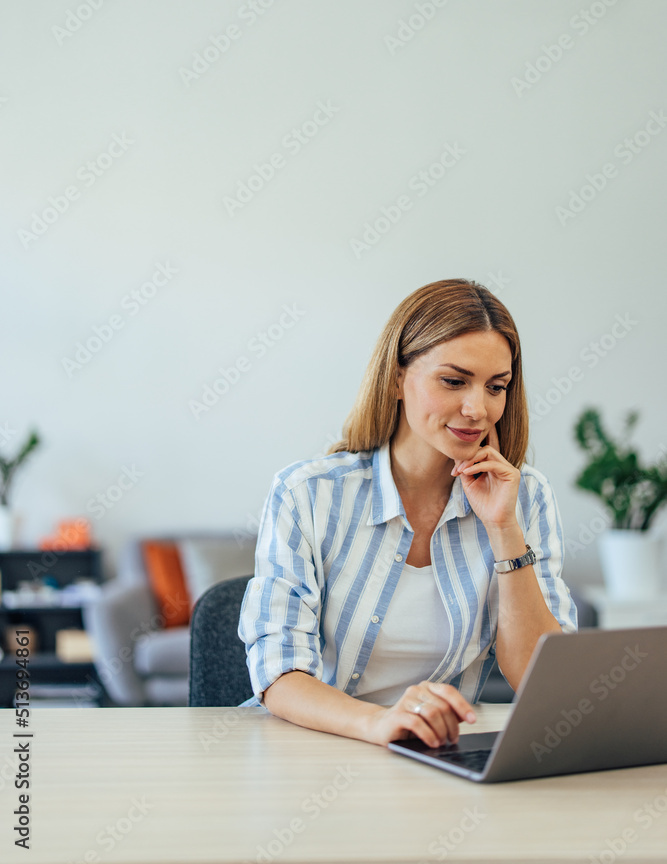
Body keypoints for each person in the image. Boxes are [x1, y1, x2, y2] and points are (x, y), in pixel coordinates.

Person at [237, 278, 577, 749]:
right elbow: (279, 672)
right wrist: (380, 725)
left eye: (496, 387)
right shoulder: (306, 494)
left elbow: (540, 680)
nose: (477, 409)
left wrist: (502, 527)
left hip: (440, 756)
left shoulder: (524, 497)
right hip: (314, 749)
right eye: (454, 381)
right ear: (397, 378)